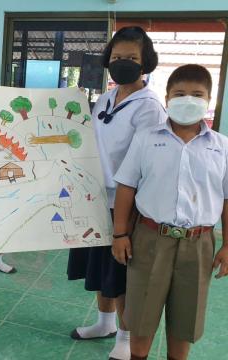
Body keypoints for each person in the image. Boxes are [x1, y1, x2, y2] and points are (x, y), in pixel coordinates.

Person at [112, 64, 228, 360]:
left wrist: (227, 245)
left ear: (209, 100)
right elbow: (126, 187)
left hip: (198, 243)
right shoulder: (147, 138)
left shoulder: (222, 147)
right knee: (140, 319)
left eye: (197, 94)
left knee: (184, 323)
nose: (188, 99)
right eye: (179, 93)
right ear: (167, 98)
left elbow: (227, 199)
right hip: (150, 240)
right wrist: (120, 234)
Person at [66, 26, 166, 360]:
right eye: (118, 56)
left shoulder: (150, 107)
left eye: (132, 58)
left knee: (120, 271)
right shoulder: (108, 97)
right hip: (95, 196)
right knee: (100, 267)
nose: (123, 62)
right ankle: (104, 322)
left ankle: (124, 338)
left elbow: (145, 162)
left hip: (125, 203)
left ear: (145, 63)